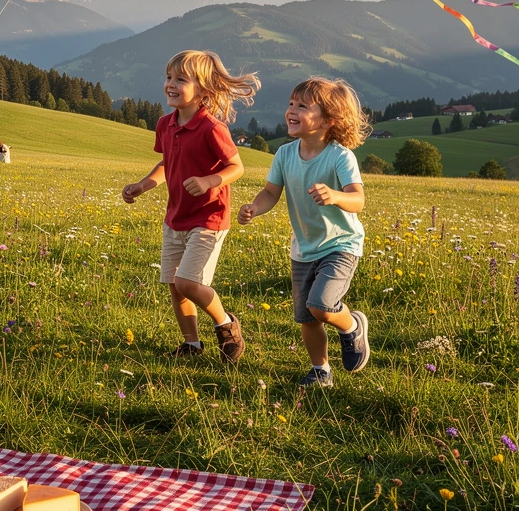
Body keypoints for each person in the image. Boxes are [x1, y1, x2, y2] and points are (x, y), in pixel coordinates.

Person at [122, 49, 260, 362]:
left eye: (181, 79)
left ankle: (226, 325)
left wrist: (209, 181)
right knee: (175, 285)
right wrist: (143, 185)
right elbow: (166, 163)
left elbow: (236, 167)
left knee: (187, 282)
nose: (171, 84)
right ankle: (192, 345)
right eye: (169, 77)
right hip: (176, 218)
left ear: (203, 90)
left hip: (208, 218)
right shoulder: (165, 124)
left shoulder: (212, 128)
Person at [237, 77, 370, 387]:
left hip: (340, 244)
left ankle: (351, 326)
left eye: (302, 106)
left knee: (320, 304)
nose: (291, 110)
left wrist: (335, 195)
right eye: (290, 104)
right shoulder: (285, 154)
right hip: (304, 248)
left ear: (328, 120)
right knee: (307, 318)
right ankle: (321, 371)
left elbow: (358, 199)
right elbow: (270, 192)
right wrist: (254, 207)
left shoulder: (340, 156)